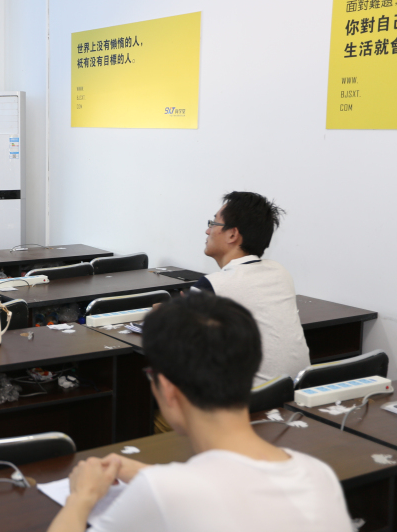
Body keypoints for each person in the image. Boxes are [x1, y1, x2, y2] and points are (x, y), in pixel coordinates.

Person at [47, 293, 353, 532]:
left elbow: (186, 494)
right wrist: (146, 474)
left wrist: (81, 498)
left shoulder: (164, 492)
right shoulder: (319, 474)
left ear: (166, 389)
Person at [193, 191, 310, 385]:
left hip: (248, 405)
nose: (207, 231)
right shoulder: (280, 272)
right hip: (295, 398)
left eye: (213, 224)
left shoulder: (212, 286)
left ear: (232, 234)